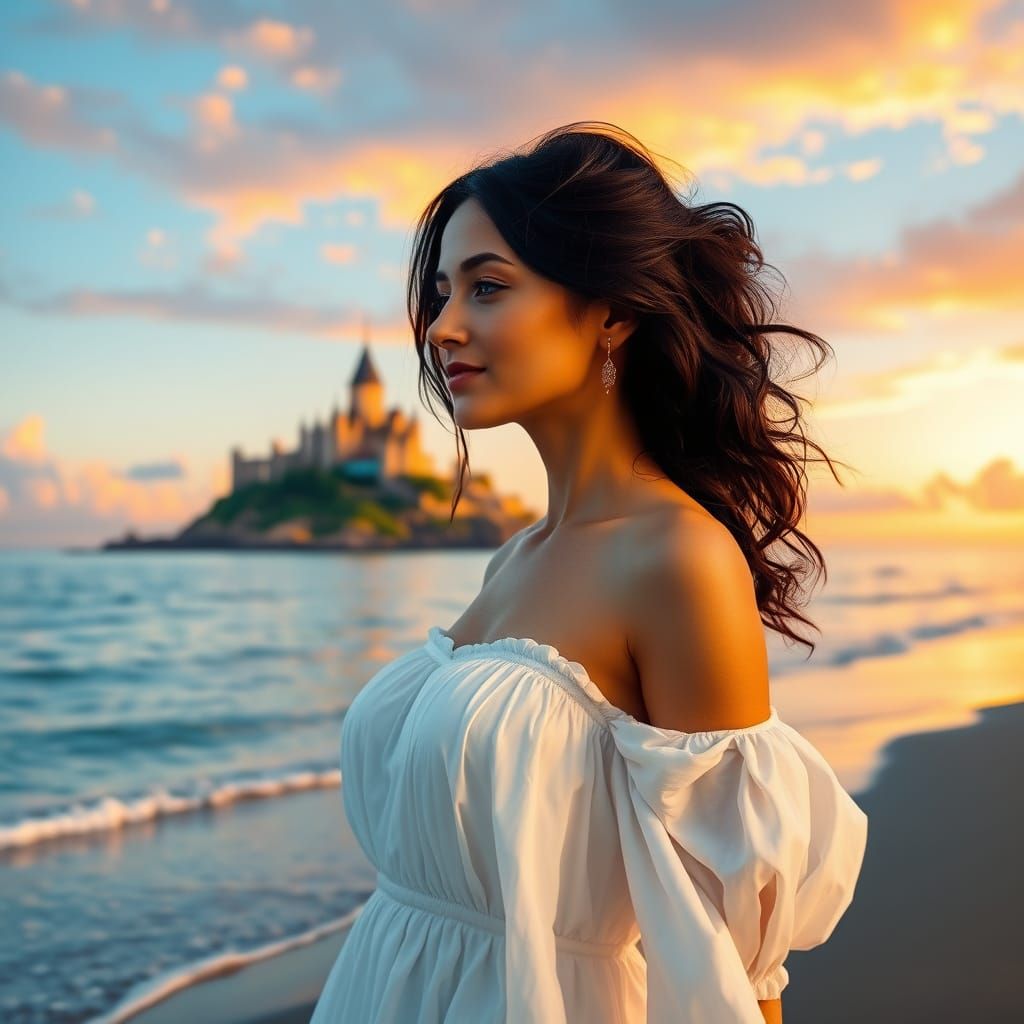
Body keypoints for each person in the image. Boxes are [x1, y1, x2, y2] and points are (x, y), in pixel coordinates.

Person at [309, 122, 868, 1023]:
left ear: (611, 312)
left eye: (488, 288)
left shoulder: (678, 560)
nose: (443, 326)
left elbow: (741, 959)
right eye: (442, 292)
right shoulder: (515, 556)